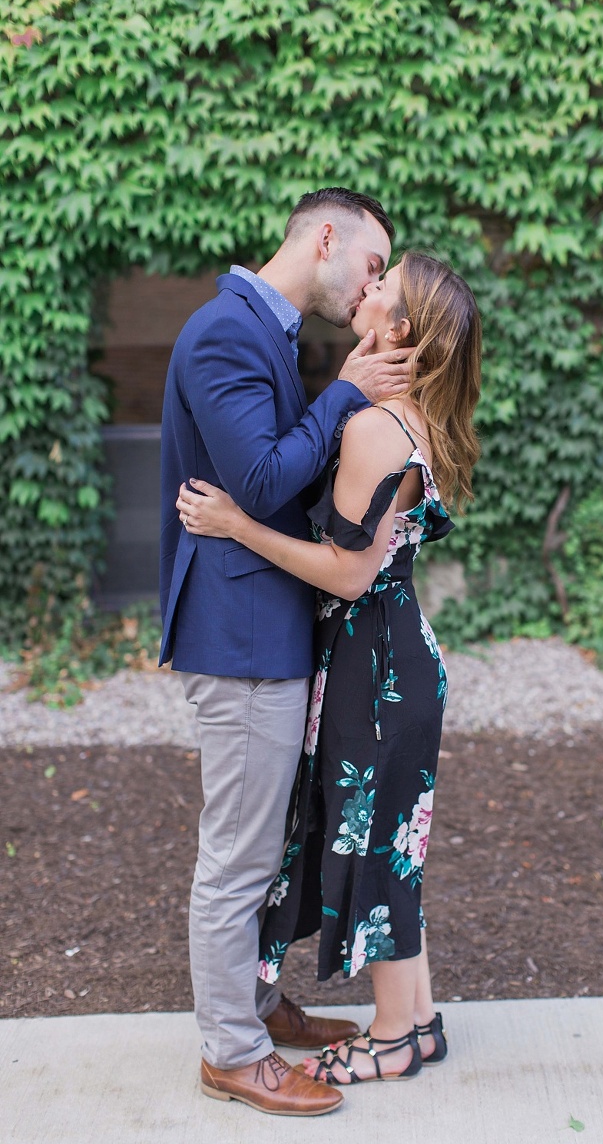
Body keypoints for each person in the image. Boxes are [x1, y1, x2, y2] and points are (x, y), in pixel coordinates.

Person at [176, 250, 482, 1085]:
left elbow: (347, 574)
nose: (367, 288)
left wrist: (241, 526)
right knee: (395, 844)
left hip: (370, 665)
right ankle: (418, 1022)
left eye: (384, 284)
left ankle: (390, 1037)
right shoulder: (410, 416)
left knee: (376, 846)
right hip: (397, 654)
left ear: (401, 328)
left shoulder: (377, 429)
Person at [159, 188, 416, 1117]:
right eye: (373, 263)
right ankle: (232, 1052)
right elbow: (264, 479)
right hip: (237, 637)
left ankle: (259, 1006)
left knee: (263, 844)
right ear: (325, 237)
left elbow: (279, 480)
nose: (372, 284)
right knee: (236, 856)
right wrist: (346, 392)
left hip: (265, 626)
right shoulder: (226, 333)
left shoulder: (265, 331)